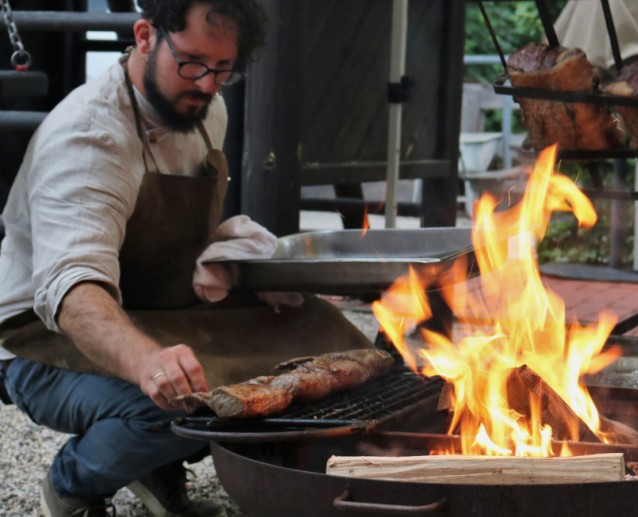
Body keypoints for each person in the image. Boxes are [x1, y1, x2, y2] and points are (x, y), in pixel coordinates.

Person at [0, 1, 372, 516]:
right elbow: (73, 292)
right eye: (192, 62)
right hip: (40, 342)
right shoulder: (88, 139)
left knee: (323, 334)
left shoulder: (204, 110)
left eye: (223, 69)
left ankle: (154, 464)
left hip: (156, 308)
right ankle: (72, 482)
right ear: (145, 36)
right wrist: (148, 363)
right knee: (183, 402)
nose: (206, 84)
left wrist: (240, 265)